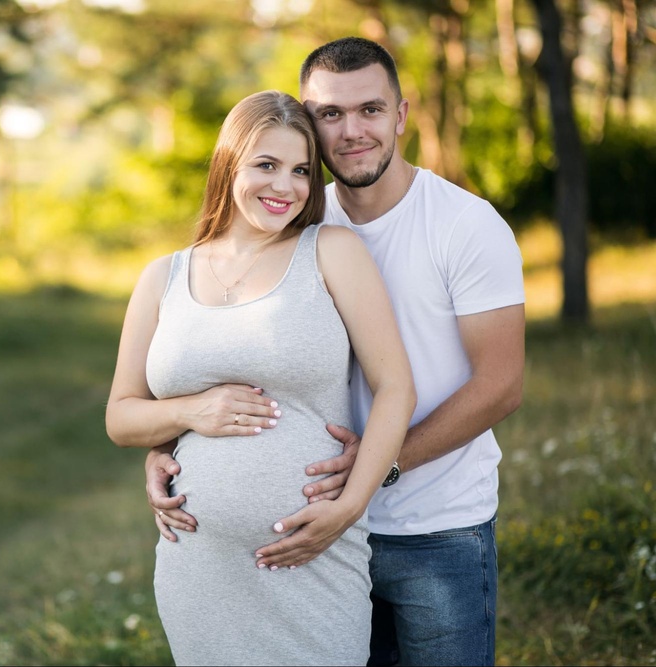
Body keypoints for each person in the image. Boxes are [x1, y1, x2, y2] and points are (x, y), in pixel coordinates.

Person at [145, 38, 526, 666]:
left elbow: (502, 384)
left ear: (401, 115)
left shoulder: (464, 224)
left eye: (371, 110)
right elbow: (223, 349)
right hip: (312, 540)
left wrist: (378, 469)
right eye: (330, 114)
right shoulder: (290, 218)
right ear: (307, 123)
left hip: (433, 527)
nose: (352, 131)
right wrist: (169, 444)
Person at [106, 89, 416, 666]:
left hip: (315, 560)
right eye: (266, 165)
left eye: (301, 170)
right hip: (198, 571)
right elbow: (121, 416)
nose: (285, 187)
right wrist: (188, 412)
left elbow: (397, 386)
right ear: (229, 164)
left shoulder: (331, 251)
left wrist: (348, 507)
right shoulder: (162, 277)